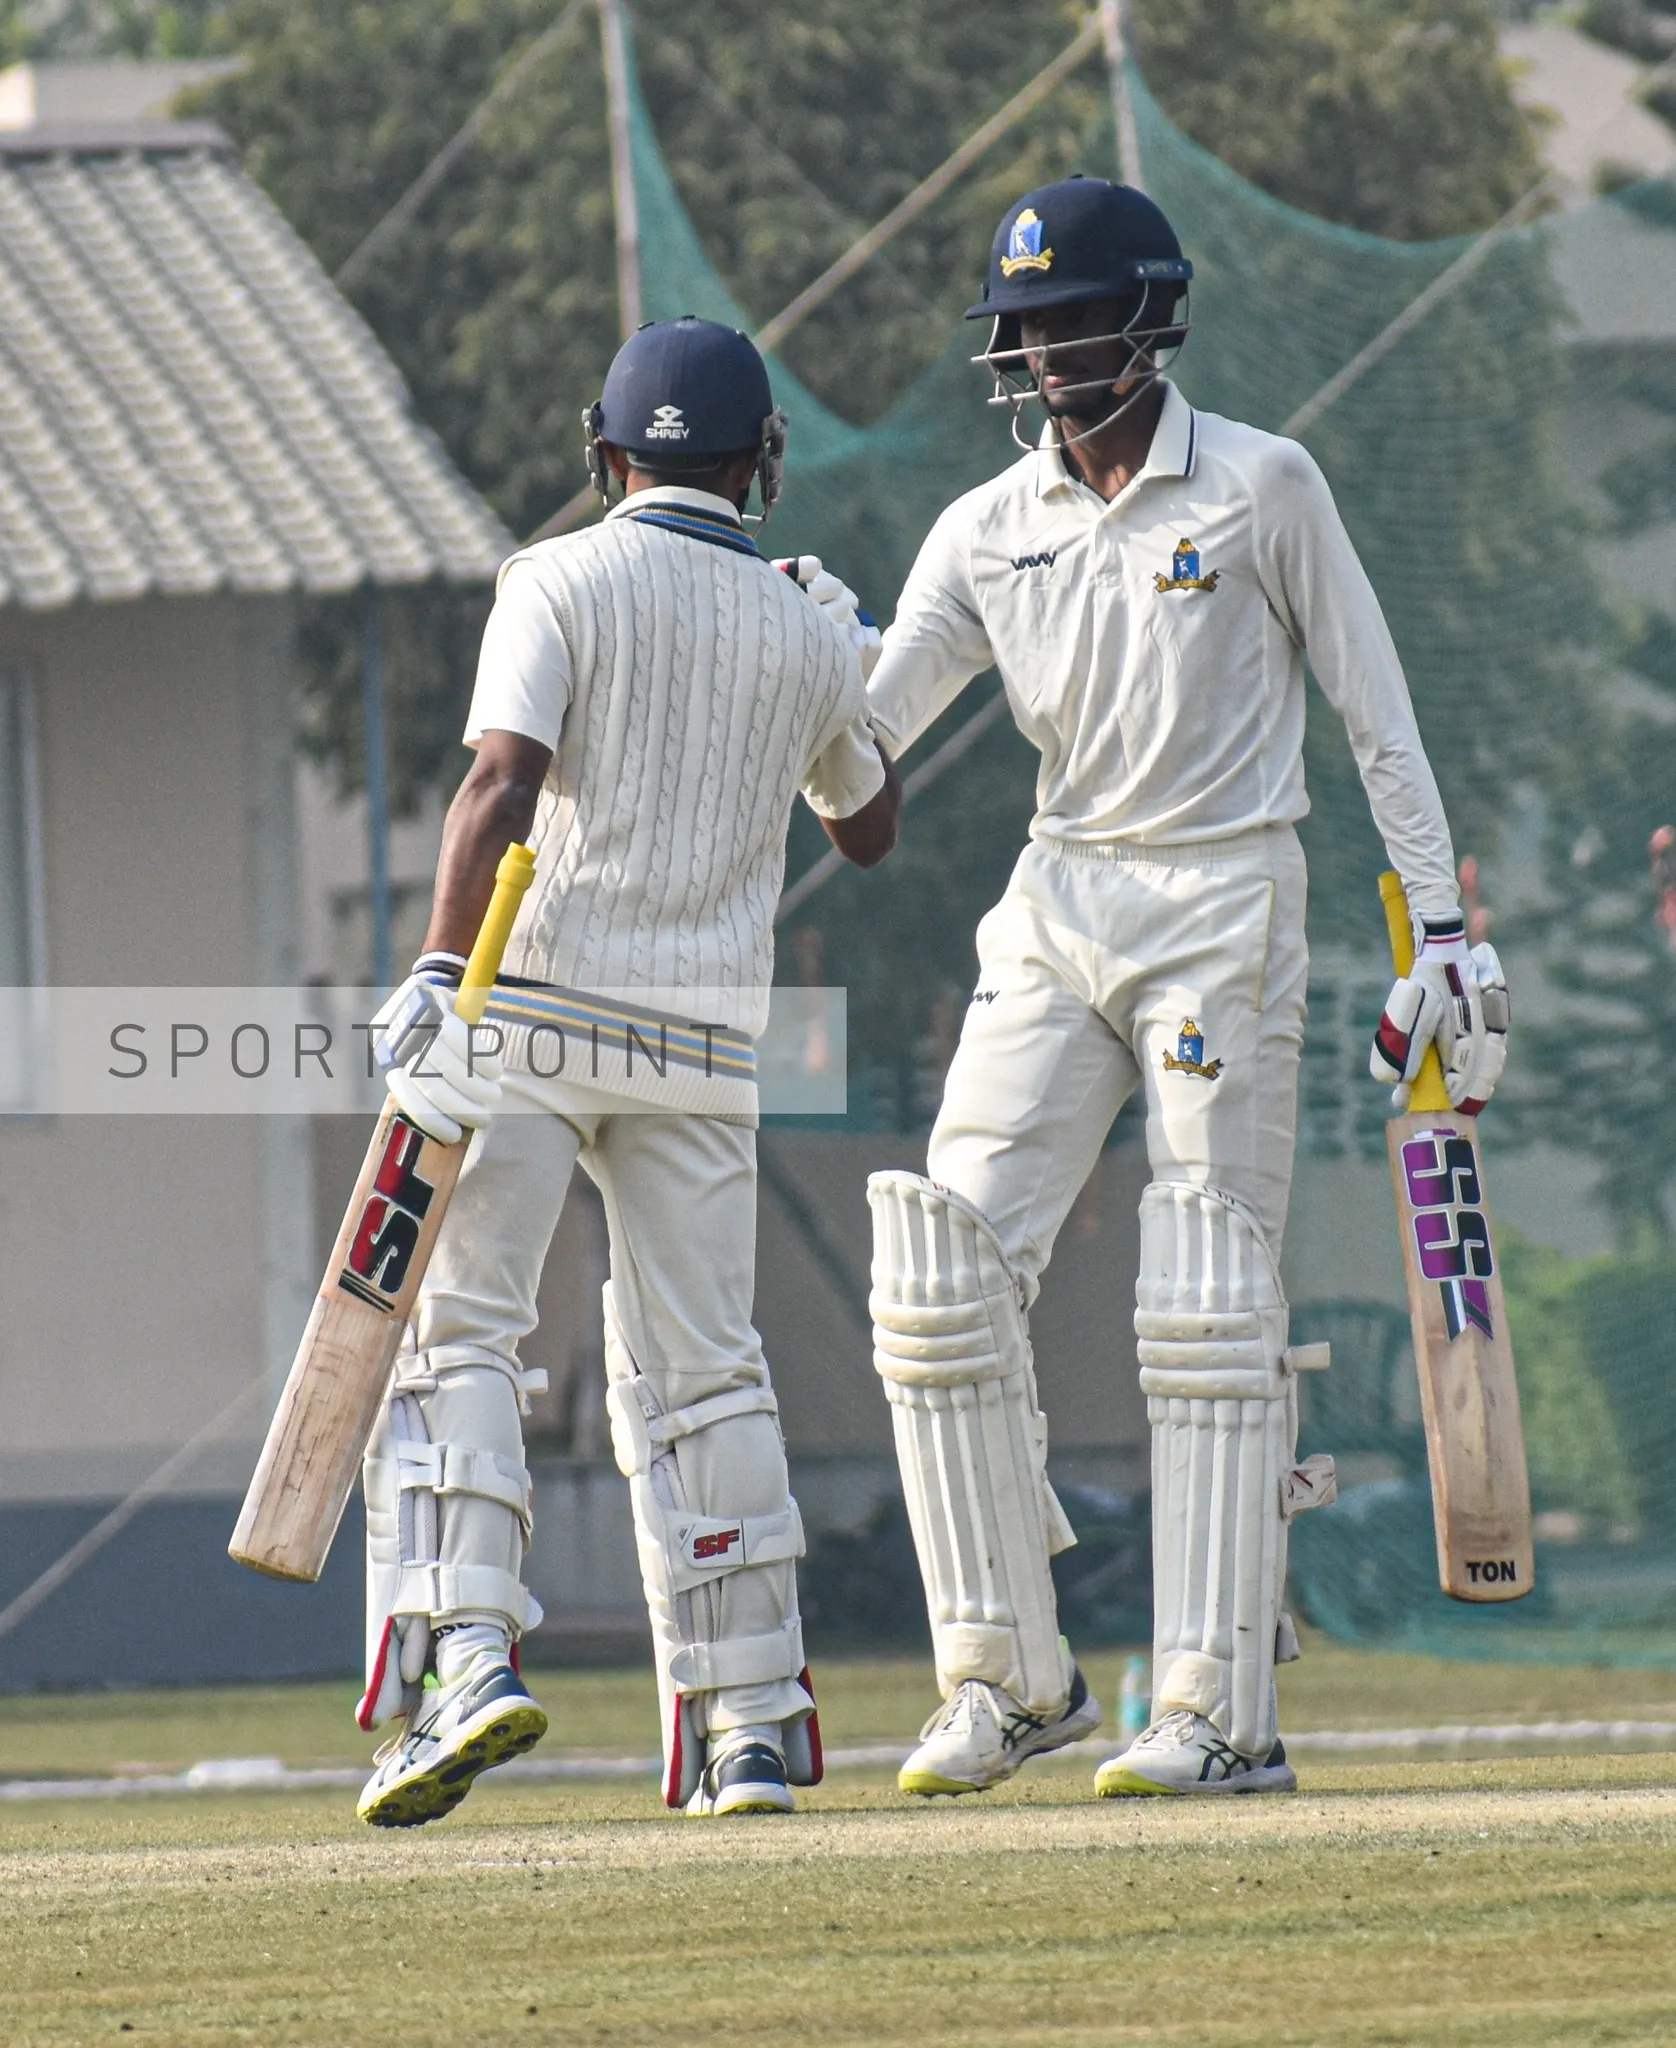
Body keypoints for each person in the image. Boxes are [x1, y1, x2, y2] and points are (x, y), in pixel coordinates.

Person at [861, 177, 1508, 1799]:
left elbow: (1377, 711)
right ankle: (1008, 1677)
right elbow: (860, 750)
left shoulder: (1261, 486)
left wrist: (1442, 930)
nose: (1051, 355)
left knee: (1209, 1298)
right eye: (1026, 330)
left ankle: (1223, 1711)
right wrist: (788, 657)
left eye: (1076, 320)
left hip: (1229, 890)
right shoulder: (984, 530)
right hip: (1060, 890)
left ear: (1150, 318)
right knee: (938, 1280)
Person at [354, 316, 899, 1827]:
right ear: (760, 465)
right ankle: (751, 1729)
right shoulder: (803, 625)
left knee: (460, 1327)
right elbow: (867, 827)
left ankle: (468, 1655)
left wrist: (434, 972)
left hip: (532, 1001)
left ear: (605, 452)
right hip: (706, 1042)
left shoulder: (558, 576)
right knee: (705, 1367)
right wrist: (841, 662)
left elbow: (501, 780)